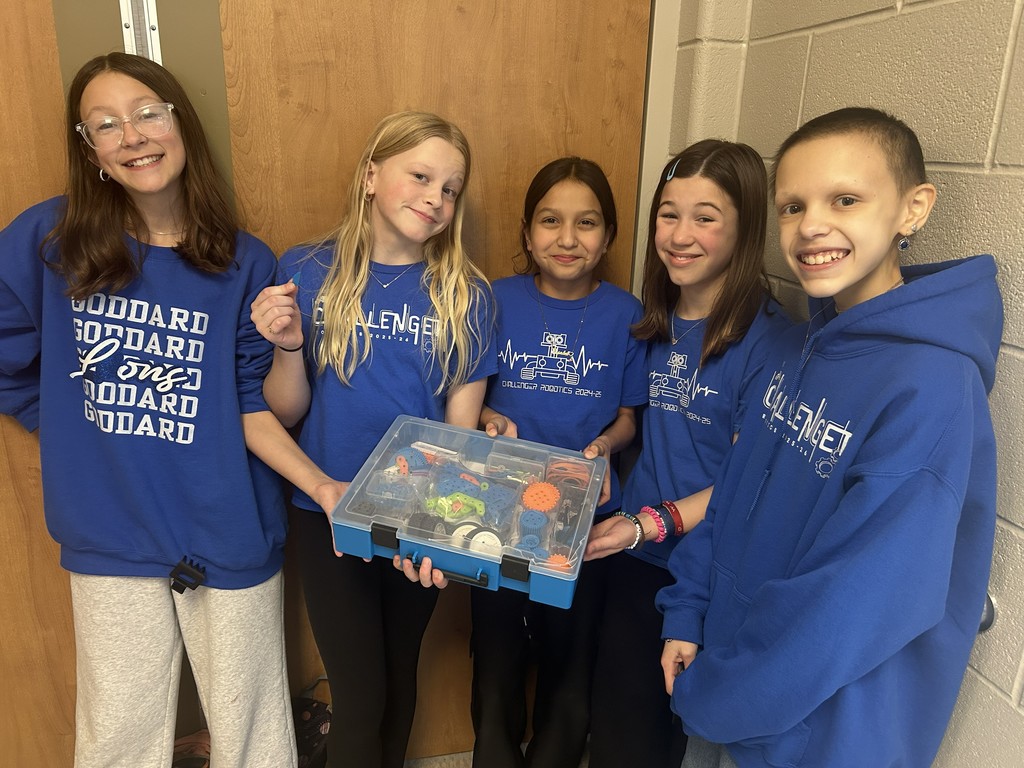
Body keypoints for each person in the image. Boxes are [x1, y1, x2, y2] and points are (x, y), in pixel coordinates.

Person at [0, 52, 343, 768]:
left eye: (148, 113)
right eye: (106, 124)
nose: (132, 136)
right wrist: (60, 422)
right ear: (89, 149)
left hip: (228, 528)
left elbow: (260, 406)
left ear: (179, 122)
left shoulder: (245, 261)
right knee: (118, 734)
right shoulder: (48, 241)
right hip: (111, 532)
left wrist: (319, 483)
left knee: (253, 735)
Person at [658, 107, 1003, 768]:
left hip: (813, 736)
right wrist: (687, 608)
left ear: (913, 208)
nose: (812, 225)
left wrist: (720, 694)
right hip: (737, 688)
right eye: (792, 206)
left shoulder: (931, 386)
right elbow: (732, 495)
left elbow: (854, 602)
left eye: (845, 199)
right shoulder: (802, 346)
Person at [249, 110, 496, 768]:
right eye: (421, 176)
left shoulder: (467, 295)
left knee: (396, 683)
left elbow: (459, 436)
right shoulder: (303, 268)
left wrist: (438, 527)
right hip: (325, 511)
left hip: (417, 518)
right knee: (359, 698)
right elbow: (283, 408)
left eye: (451, 188)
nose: (436, 198)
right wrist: (290, 349)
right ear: (369, 176)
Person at [584, 140, 792, 768]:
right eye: (668, 213)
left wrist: (649, 522)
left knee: (676, 744)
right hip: (635, 557)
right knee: (618, 728)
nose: (679, 235)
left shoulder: (771, 342)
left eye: (706, 216)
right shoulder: (659, 320)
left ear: (745, 225)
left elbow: (743, 483)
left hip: (705, 573)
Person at [463, 157, 648, 768]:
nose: (568, 239)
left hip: (587, 519)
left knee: (571, 668)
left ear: (609, 235)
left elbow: (628, 417)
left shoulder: (628, 314)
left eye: (587, 223)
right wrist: (489, 418)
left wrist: (604, 448)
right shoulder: (494, 299)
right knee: (495, 663)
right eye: (550, 221)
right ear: (527, 230)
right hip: (497, 514)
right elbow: (474, 395)